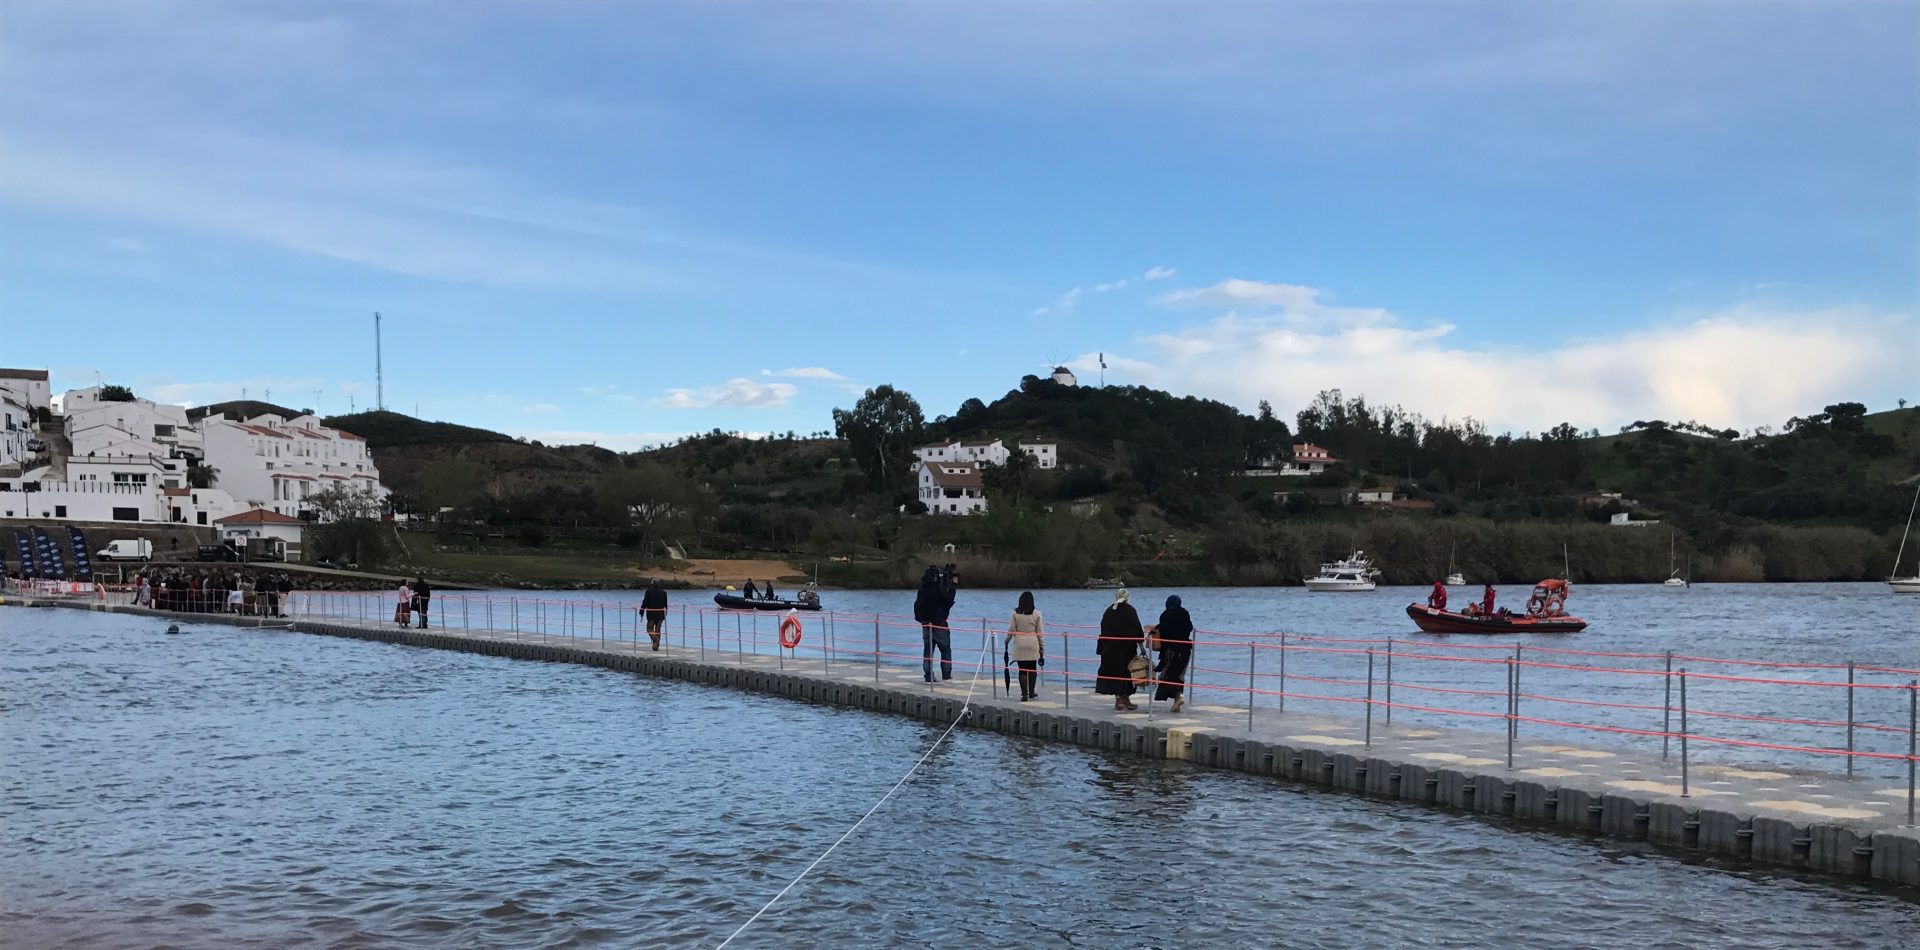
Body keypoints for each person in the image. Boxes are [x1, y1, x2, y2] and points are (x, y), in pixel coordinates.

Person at [1096, 589, 1144, 711]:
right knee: (1126, 674)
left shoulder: (1109, 610)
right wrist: (1142, 648)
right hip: (1125, 649)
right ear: (1127, 597)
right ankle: (1124, 699)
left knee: (1115, 674)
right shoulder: (1130, 611)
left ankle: (1119, 699)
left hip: (1109, 650)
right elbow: (1137, 630)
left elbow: (1103, 628)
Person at [913, 565, 957, 682]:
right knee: (946, 649)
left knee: (928, 650)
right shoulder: (940, 588)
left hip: (925, 623)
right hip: (939, 623)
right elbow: (947, 600)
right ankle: (946, 675)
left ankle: (928, 675)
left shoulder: (923, 587)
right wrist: (952, 587)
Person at [1154, 594, 1194, 712]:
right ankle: (1177, 700)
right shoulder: (1185, 614)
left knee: (1168, 674)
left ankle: (1178, 696)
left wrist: (1157, 628)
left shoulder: (1166, 615)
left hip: (1173, 650)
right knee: (1178, 675)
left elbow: (1166, 630)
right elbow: (1189, 628)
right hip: (1186, 649)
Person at [1006, 590, 1045, 701]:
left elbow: (1011, 630)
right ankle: (1032, 692)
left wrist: (1006, 641)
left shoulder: (1015, 614)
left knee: (1022, 670)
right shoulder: (1037, 614)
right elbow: (1040, 633)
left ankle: (1024, 694)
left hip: (1020, 644)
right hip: (1033, 643)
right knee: (1032, 669)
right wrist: (1042, 648)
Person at [642, 578, 669, 651]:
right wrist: (665, 614)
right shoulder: (664, 593)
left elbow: (645, 603)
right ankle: (655, 646)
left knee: (649, 628)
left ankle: (655, 639)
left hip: (651, 614)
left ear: (653, 584)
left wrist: (641, 611)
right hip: (661, 614)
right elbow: (665, 605)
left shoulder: (648, 592)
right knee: (658, 630)